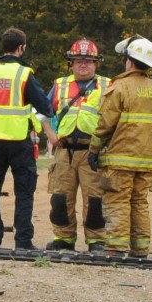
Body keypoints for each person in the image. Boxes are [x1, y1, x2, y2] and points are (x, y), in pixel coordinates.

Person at [88, 36, 152, 257]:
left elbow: (105, 124)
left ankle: (115, 247)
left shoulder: (120, 87)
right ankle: (141, 248)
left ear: (130, 62)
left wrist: (94, 149)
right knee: (140, 202)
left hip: (120, 159)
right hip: (146, 160)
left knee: (117, 200)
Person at [0, 27, 53, 250]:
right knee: (24, 191)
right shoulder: (24, 74)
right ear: (21, 48)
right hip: (19, 140)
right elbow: (44, 106)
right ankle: (23, 241)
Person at [45, 38, 108, 251]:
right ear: (70, 63)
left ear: (96, 63)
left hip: (93, 152)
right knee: (61, 198)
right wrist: (50, 134)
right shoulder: (60, 85)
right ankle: (64, 239)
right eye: (78, 60)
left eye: (88, 61)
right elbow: (42, 112)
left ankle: (96, 240)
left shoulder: (108, 86)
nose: (83, 64)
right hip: (65, 151)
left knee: (95, 200)